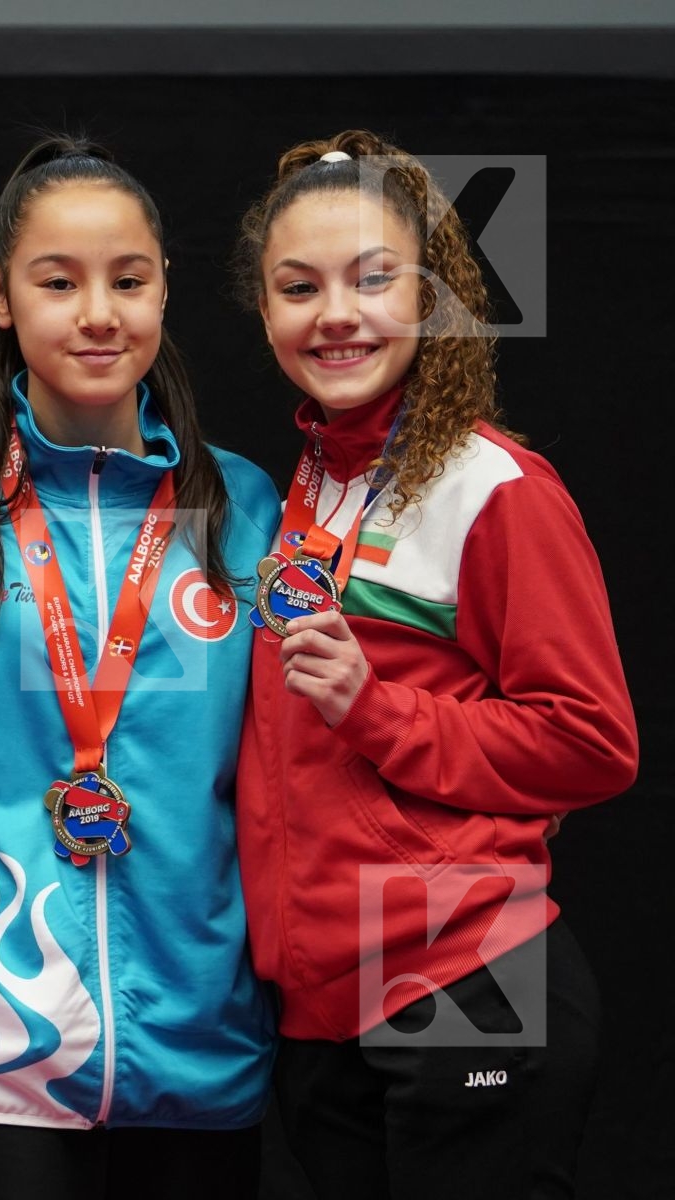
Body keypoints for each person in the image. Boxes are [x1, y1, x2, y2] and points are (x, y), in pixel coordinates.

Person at [0, 136, 280, 1200]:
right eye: (58, 281)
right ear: (0, 294)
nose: (98, 313)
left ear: (165, 285)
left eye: (128, 279)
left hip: (206, 1035)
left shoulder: (249, 510)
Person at [232, 129, 639, 1200]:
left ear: (436, 293)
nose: (336, 315)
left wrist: (380, 709)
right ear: (263, 306)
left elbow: (591, 743)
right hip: (324, 1010)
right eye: (298, 286)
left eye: (375, 280)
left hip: (467, 982)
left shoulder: (493, 485)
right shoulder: (306, 485)